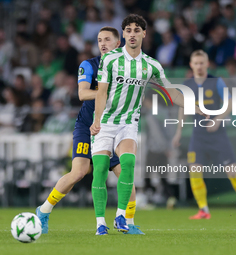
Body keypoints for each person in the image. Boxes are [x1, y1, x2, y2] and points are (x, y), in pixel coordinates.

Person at [90, 14, 206, 235]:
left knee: (129, 163)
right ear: (123, 34)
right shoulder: (110, 59)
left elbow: (170, 92)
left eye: (137, 30)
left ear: (144, 33)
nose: (132, 34)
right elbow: (101, 92)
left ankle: (120, 217)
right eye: (128, 30)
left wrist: (193, 105)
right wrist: (96, 120)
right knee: (101, 171)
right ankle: (100, 224)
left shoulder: (151, 65)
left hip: (128, 123)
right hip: (105, 122)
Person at [36, 26, 144, 235]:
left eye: (107, 40)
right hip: (88, 127)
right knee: (79, 172)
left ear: (118, 43)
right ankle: (44, 210)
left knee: (126, 175)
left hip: (114, 127)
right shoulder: (89, 65)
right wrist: (107, 92)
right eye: (99, 40)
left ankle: (128, 223)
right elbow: (82, 94)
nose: (102, 44)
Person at [172, 50, 236, 220]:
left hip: (218, 134)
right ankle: (203, 209)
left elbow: (229, 103)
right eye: (195, 63)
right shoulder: (187, 85)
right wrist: (178, 131)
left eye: (201, 63)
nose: (198, 66)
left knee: (232, 171)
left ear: (207, 64)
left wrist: (218, 119)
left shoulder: (216, 81)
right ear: (191, 65)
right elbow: (182, 108)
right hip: (198, 134)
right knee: (195, 170)